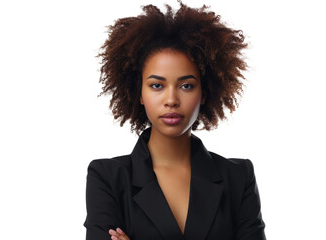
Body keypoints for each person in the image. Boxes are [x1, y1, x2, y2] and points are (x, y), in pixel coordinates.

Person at [84, 2, 266, 240]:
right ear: (139, 92)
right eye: (157, 85)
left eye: (186, 85)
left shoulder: (238, 177)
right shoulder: (108, 177)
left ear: (205, 93)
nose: (171, 99)